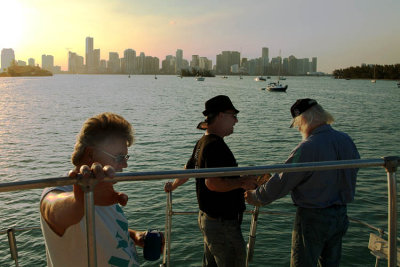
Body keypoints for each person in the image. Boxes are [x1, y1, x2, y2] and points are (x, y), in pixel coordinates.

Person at [245, 98, 360, 267]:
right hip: (340, 215)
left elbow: (283, 180)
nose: (298, 128)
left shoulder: (307, 147)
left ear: (303, 120)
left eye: (297, 124)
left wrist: (256, 196)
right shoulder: (346, 140)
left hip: (313, 217)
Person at [40, 112, 152, 267]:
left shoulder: (102, 189)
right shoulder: (58, 190)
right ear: (90, 153)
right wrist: (81, 199)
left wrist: (134, 236)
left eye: (125, 158)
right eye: (119, 157)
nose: (125, 165)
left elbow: (104, 229)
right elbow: (51, 209)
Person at [164, 95, 258, 267]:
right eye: (233, 115)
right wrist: (242, 182)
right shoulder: (215, 146)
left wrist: (173, 185)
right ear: (221, 115)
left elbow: (188, 169)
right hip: (222, 224)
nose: (236, 120)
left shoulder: (202, 142)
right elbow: (213, 183)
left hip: (208, 220)